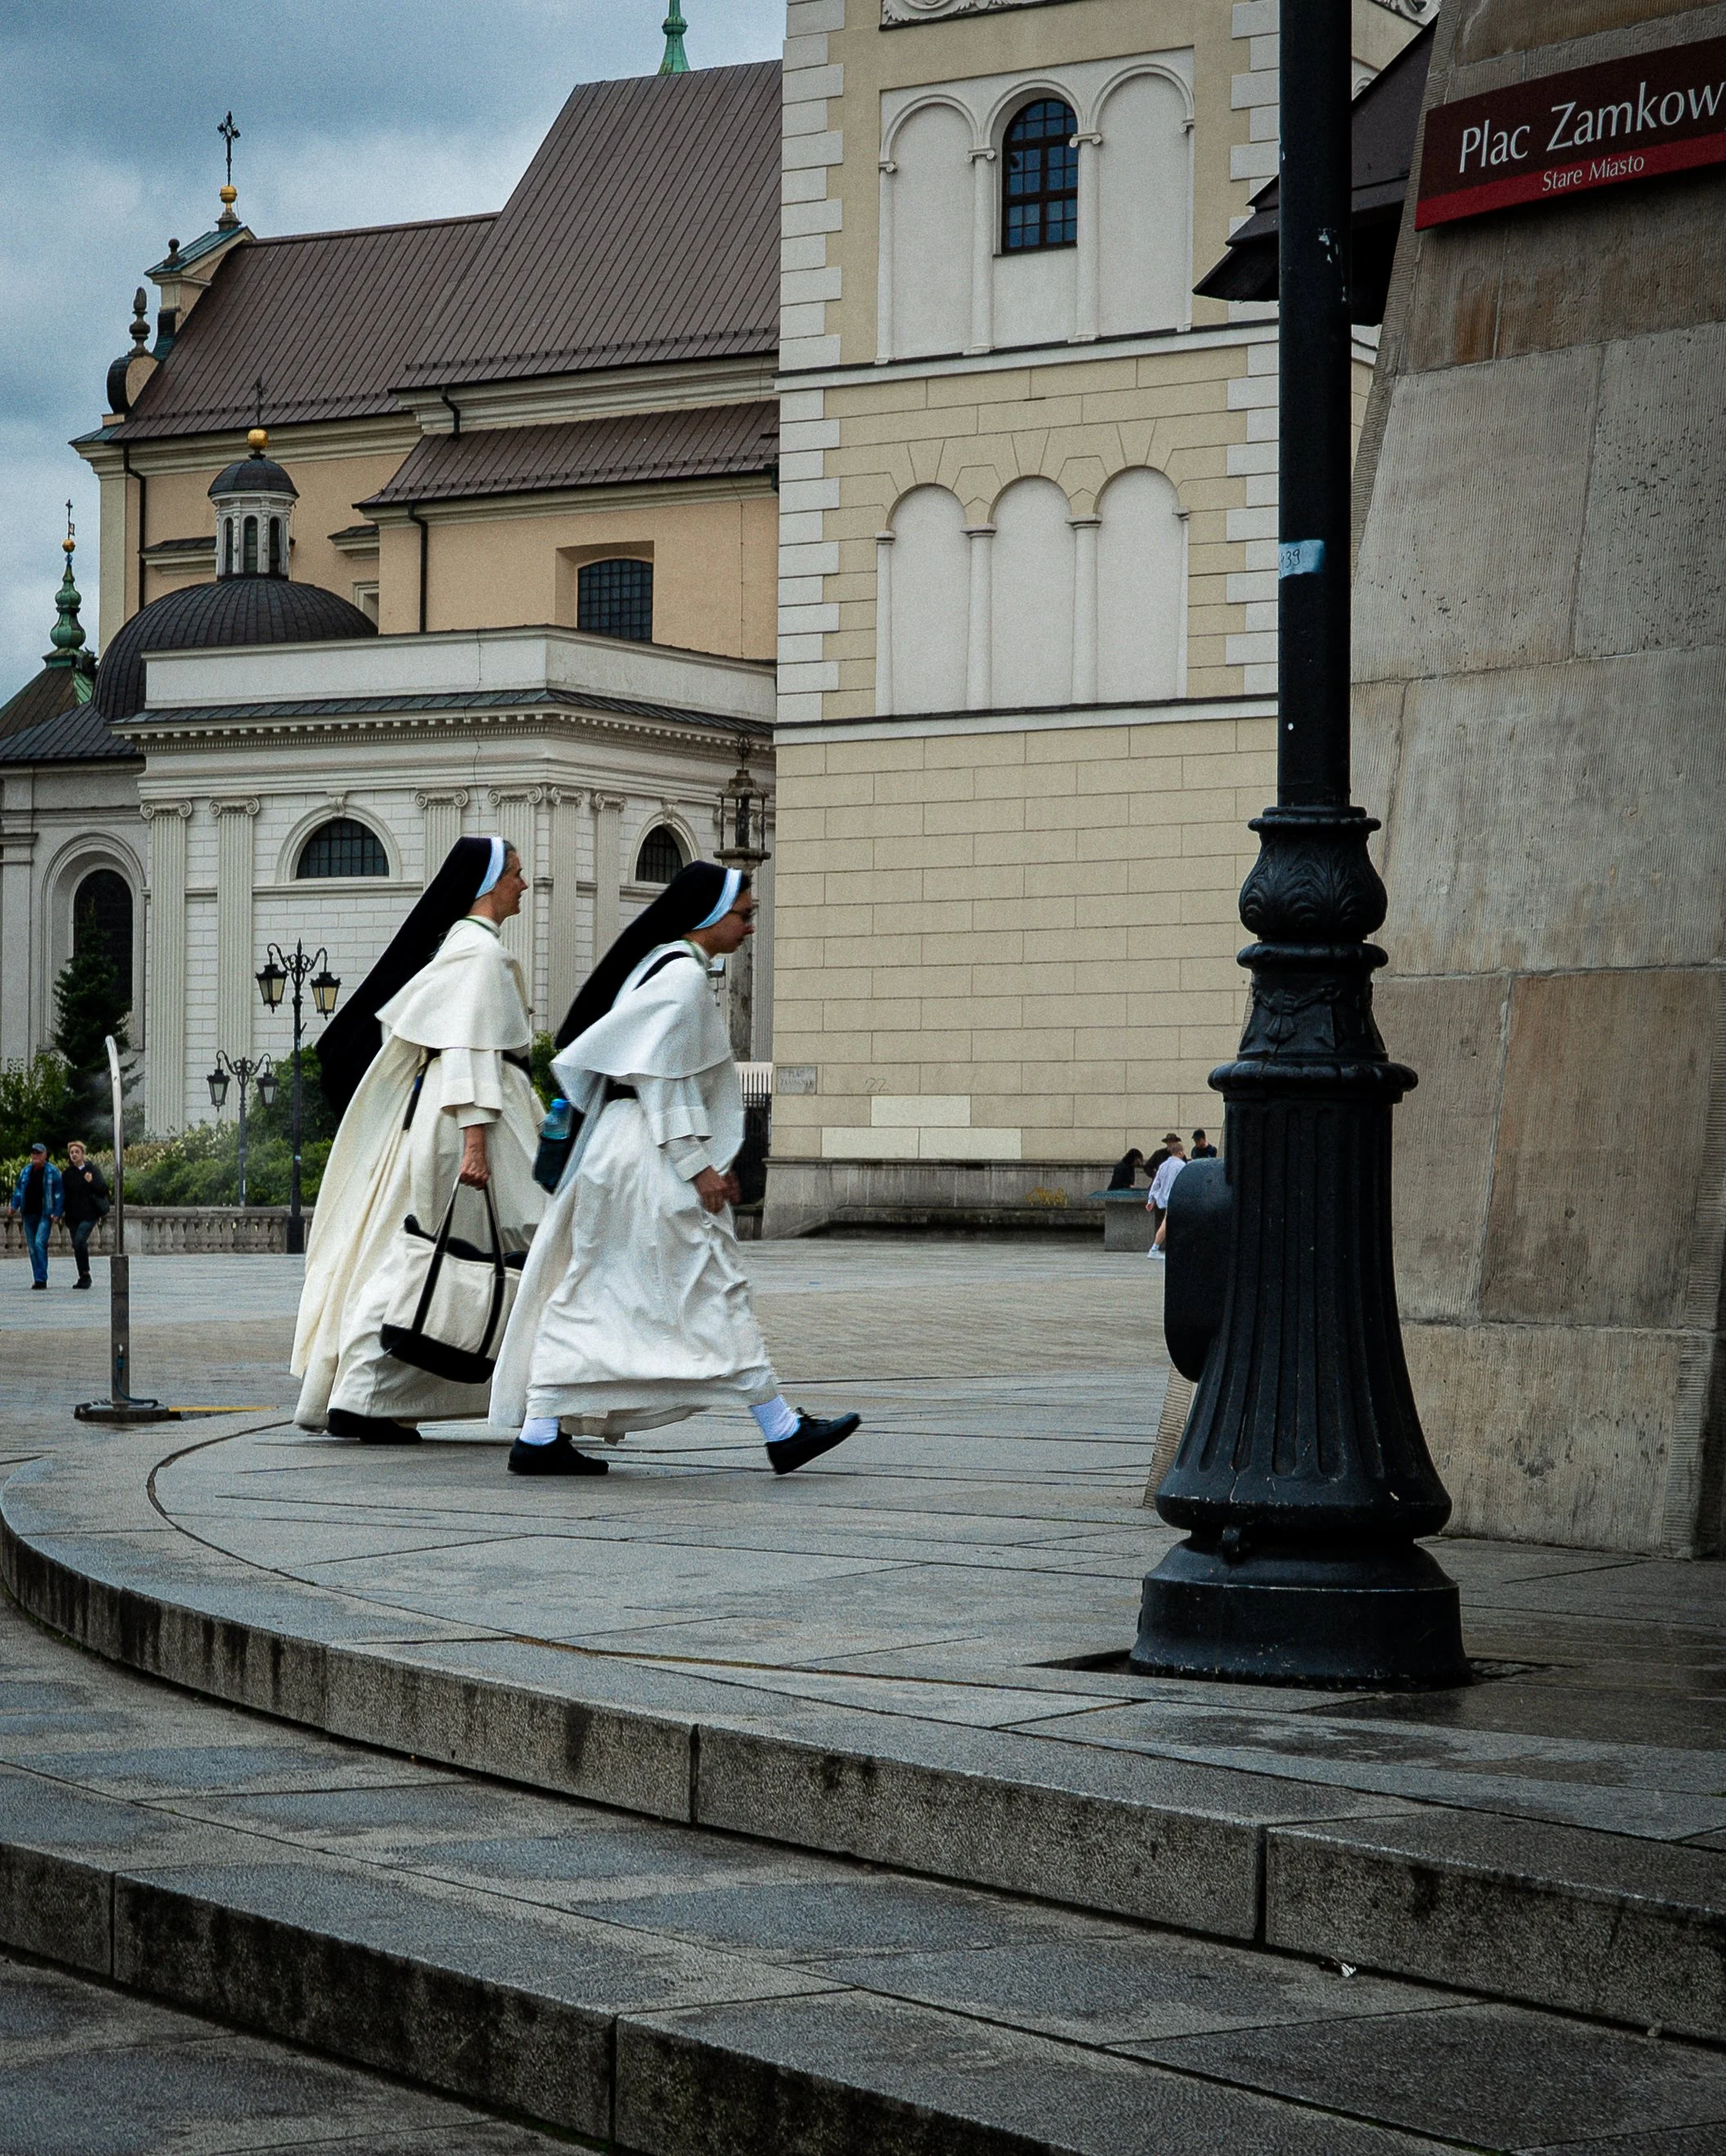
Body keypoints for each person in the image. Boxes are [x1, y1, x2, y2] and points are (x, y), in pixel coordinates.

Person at [494, 860, 859, 1478]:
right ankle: (781, 1429)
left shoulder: (662, 965)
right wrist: (698, 1166)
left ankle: (540, 1430)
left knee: (594, 1287)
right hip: (650, 1155)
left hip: (623, 1151)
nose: (749, 929)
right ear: (713, 916)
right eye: (746, 916)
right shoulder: (682, 978)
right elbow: (660, 1079)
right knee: (709, 1282)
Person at [292, 835, 545, 1443]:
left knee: (418, 1254)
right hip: (472, 1122)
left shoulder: (459, 950)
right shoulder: (478, 956)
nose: (524, 884)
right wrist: (477, 1145)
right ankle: (368, 1392)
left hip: (456, 1117)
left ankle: (363, 1394)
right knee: (456, 1252)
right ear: (487, 884)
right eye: (516, 873)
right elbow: (466, 1048)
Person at [9, 1143, 62, 1290]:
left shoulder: (52, 1172)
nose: (35, 1156)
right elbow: (19, 1190)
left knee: (39, 1243)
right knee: (32, 1248)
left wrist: (57, 1213)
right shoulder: (26, 1171)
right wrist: (14, 1206)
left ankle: (42, 1278)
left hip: (45, 1213)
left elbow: (58, 1194)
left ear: (45, 1155)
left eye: (38, 1153)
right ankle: (37, 1278)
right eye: (33, 1153)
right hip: (28, 1214)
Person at [62, 1141, 110, 1289]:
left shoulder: (91, 1170)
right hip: (72, 1216)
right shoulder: (67, 1174)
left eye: (77, 1152)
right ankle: (83, 1275)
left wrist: (91, 1182)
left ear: (82, 1153)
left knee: (79, 1241)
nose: (74, 1154)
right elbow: (63, 1194)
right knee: (77, 1245)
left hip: (89, 1214)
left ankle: (86, 1273)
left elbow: (103, 1189)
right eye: (72, 1152)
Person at [1146, 1135, 1187, 1259]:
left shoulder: (1163, 1165)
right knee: (1168, 1223)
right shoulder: (1182, 1166)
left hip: (1164, 1198)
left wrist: (1151, 1200)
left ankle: (1163, 1248)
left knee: (1170, 1223)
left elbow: (1156, 1183)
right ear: (1180, 1153)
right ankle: (1154, 1249)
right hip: (1176, 1198)